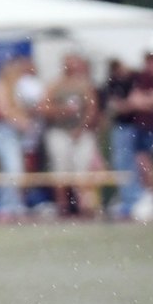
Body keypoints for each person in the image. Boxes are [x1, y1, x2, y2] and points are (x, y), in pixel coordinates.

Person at [41, 53, 102, 216]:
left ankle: (84, 205)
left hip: (81, 133)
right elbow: (44, 108)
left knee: (82, 168)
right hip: (59, 131)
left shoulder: (85, 85)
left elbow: (92, 110)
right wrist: (62, 111)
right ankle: (63, 205)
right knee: (61, 168)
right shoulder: (55, 85)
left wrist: (81, 128)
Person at [118, 51, 153, 220]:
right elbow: (135, 101)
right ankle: (147, 195)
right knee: (141, 161)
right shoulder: (142, 79)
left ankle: (152, 195)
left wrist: (148, 101)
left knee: (146, 161)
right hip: (143, 127)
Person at [0, 55, 40, 220]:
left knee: (14, 169)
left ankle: (14, 205)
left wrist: (26, 123)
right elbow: (4, 111)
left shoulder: (20, 86)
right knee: (12, 168)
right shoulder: (1, 85)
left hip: (18, 134)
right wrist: (22, 123)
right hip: (4, 132)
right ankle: (6, 206)